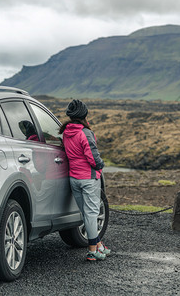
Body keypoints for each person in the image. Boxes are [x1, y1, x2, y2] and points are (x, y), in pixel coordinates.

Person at [59, 99, 111, 261]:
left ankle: (99, 245)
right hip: (88, 178)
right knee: (91, 214)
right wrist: (100, 166)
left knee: (86, 213)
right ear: (84, 115)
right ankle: (92, 251)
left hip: (73, 179)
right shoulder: (85, 133)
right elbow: (93, 158)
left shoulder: (66, 132)